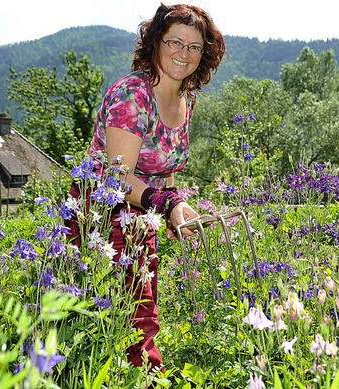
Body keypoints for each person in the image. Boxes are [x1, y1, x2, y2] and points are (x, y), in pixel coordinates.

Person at [64, 3, 226, 370]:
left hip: (144, 212)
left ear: (205, 55)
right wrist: (166, 205)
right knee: (114, 313)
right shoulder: (132, 94)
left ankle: (134, 375)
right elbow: (117, 176)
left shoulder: (187, 97)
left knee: (141, 309)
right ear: (155, 43)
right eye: (175, 42)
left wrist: (174, 211)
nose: (183, 54)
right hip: (100, 214)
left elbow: (164, 166)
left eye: (194, 47)